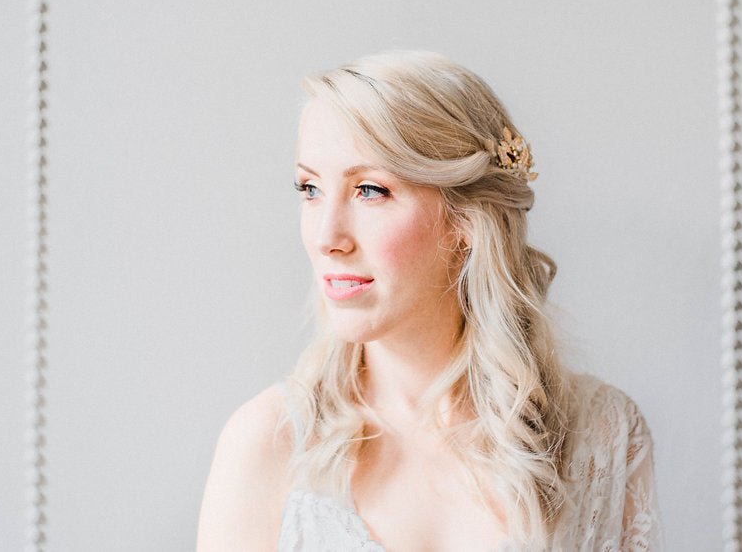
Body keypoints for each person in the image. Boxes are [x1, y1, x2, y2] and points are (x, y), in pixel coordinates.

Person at [197, 51, 661, 550]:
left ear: (466, 222)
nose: (326, 237)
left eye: (369, 190)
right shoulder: (267, 443)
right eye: (309, 188)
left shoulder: (603, 435)